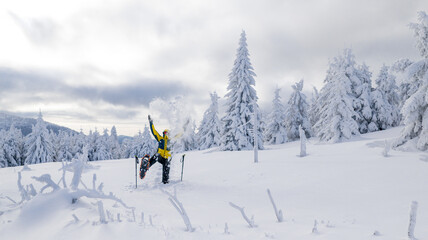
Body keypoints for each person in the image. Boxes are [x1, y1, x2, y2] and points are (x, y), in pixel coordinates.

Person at [146, 115, 171, 184]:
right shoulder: (160, 139)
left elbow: (179, 134)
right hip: (160, 157)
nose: (165, 134)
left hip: (166, 158)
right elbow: (154, 132)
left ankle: (165, 181)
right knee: (157, 155)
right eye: (164, 133)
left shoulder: (171, 140)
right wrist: (151, 122)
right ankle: (147, 165)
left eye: (167, 133)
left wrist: (185, 127)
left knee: (167, 166)